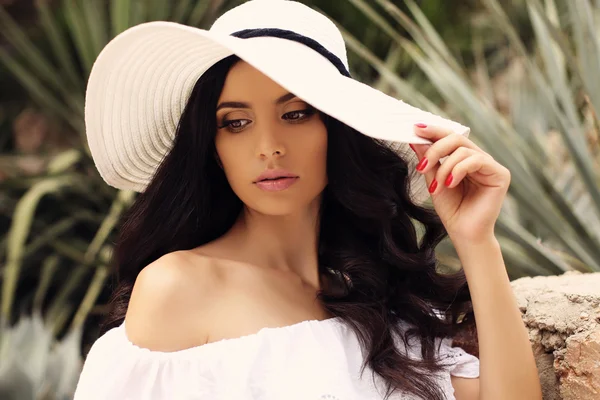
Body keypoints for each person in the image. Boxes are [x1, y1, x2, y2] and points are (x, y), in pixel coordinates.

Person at [74, 1, 542, 399]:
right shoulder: (178, 288)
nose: (268, 147)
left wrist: (477, 242)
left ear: (337, 131)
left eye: (296, 114)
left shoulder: (385, 303)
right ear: (212, 149)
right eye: (235, 123)